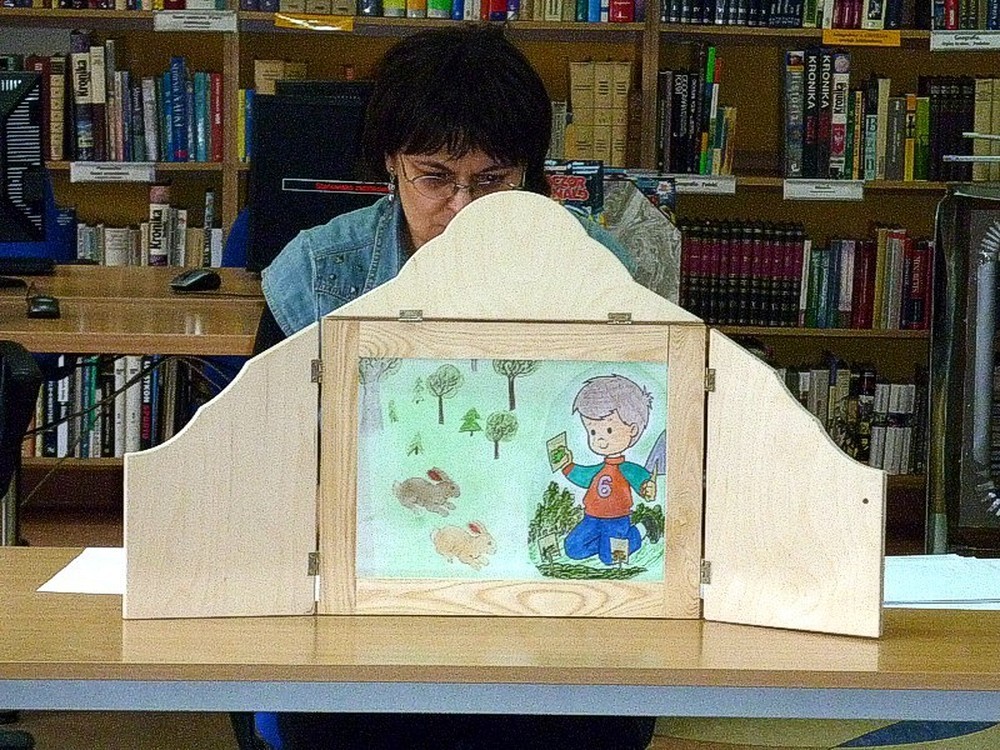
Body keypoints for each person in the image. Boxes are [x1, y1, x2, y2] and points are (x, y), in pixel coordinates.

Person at [254, 23, 655, 750]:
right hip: (365, 607)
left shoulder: (594, 269)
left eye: (493, 181)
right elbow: (263, 464)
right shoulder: (321, 272)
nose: (462, 209)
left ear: (530, 172)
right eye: (435, 178)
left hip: (550, 612)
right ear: (391, 163)